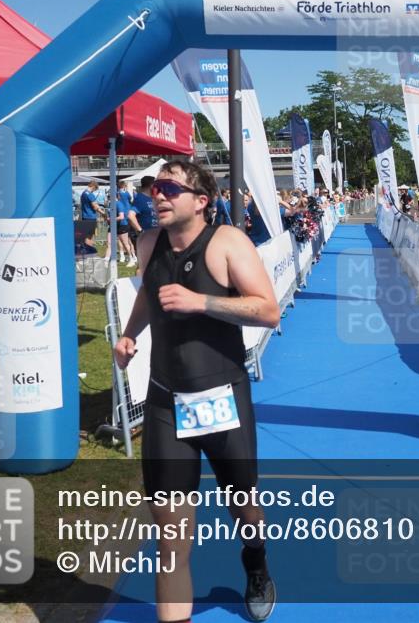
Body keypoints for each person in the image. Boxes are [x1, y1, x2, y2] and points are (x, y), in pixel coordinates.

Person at [113, 161, 280, 622]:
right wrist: (130, 335)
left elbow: (268, 311)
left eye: (169, 188)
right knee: (170, 541)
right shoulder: (149, 243)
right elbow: (150, 295)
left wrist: (201, 302)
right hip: (165, 399)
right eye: (153, 188)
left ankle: (256, 562)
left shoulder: (228, 243)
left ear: (201, 201)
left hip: (221, 397)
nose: (157, 196)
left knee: (243, 505)